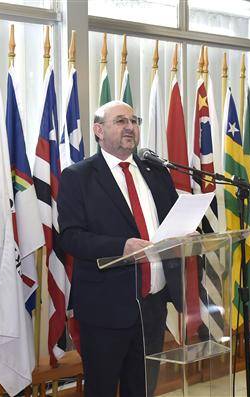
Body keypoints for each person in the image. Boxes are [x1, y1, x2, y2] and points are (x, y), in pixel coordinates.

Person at [58, 100, 178, 397]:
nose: (130, 127)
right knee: (102, 388)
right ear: (99, 130)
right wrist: (120, 246)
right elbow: (71, 237)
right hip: (106, 307)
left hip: (153, 304)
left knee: (143, 388)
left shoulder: (155, 171)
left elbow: (172, 219)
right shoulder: (78, 177)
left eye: (134, 120)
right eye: (120, 121)